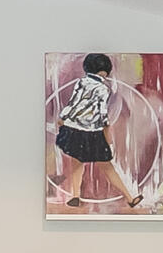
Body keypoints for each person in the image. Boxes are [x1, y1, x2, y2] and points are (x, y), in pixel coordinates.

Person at [50, 52, 147, 210]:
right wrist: (107, 129)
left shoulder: (81, 82)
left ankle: (75, 196)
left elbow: (73, 102)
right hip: (91, 132)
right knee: (107, 166)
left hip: (74, 128)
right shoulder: (103, 89)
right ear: (106, 71)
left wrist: (63, 117)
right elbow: (102, 113)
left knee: (77, 162)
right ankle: (130, 198)